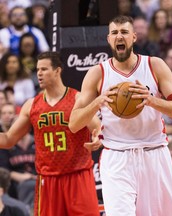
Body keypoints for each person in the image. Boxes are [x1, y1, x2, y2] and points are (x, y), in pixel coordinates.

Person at [69, 15, 172, 216]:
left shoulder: (154, 65)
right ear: (108, 39)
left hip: (154, 151)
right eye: (115, 33)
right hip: (117, 155)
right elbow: (73, 124)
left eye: (124, 32)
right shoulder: (97, 73)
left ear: (134, 37)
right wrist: (98, 102)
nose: (119, 37)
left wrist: (152, 100)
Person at [0, 51, 101, 216]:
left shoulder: (78, 99)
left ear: (57, 71)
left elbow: (97, 128)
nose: (39, 73)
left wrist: (97, 139)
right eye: (38, 70)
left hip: (78, 175)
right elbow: (8, 139)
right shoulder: (31, 105)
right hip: (48, 179)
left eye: (44, 69)